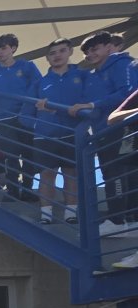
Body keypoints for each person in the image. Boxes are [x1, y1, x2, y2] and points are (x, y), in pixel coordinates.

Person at [69, 32, 138, 233]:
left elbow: (127, 93)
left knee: (117, 172)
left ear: (109, 47)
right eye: (87, 52)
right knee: (115, 172)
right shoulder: (92, 75)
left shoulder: (122, 64)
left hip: (122, 127)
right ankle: (127, 219)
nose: (90, 54)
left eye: (95, 49)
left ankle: (118, 221)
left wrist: (92, 104)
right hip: (102, 130)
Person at [34, 38, 86, 226]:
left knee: (71, 174)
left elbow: (92, 101)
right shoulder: (41, 82)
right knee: (47, 174)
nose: (57, 55)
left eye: (62, 51)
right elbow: (25, 111)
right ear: (47, 58)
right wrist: (38, 123)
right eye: (52, 53)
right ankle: (46, 214)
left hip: (72, 133)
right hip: (45, 136)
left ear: (70, 52)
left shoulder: (83, 76)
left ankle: (71, 213)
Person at [0, 34, 42, 201]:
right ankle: (12, 190)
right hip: (2, 120)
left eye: (3, 48)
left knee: (28, 154)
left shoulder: (27, 66)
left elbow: (38, 87)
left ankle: (27, 189)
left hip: (26, 117)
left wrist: (33, 113)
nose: (0, 52)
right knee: (10, 155)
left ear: (13, 48)